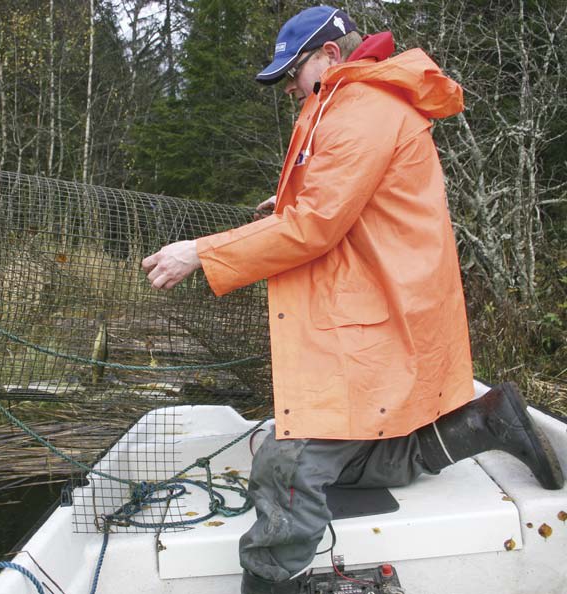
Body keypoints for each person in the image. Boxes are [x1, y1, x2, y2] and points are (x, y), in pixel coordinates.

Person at [141, 6, 564, 594]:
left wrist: (200, 252)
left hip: (370, 310)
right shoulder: (358, 102)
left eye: (293, 71)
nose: (289, 87)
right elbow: (347, 193)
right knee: (344, 454)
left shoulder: (360, 108)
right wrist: (288, 202)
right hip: (379, 296)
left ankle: (270, 583)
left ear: (332, 55)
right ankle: (486, 423)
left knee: (284, 465)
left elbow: (314, 225)